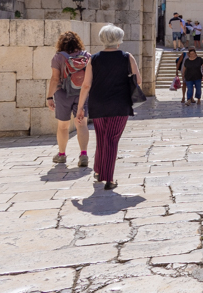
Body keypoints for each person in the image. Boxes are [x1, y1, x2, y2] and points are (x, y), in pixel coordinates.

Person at [75, 24, 139, 190]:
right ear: (119, 40)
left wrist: (80, 107)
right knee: (111, 140)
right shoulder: (127, 57)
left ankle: (98, 171)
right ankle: (109, 178)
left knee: (102, 138)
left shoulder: (94, 59)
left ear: (102, 40)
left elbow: (86, 85)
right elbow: (138, 81)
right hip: (119, 104)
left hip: (98, 103)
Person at [46, 31, 91, 168]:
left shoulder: (58, 58)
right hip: (82, 93)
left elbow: (55, 79)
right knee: (82, 124)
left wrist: (49, 97)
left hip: (63, 94)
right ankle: (83, 154)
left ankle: (61, 155)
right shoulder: (87, 56)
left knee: (63, 126)